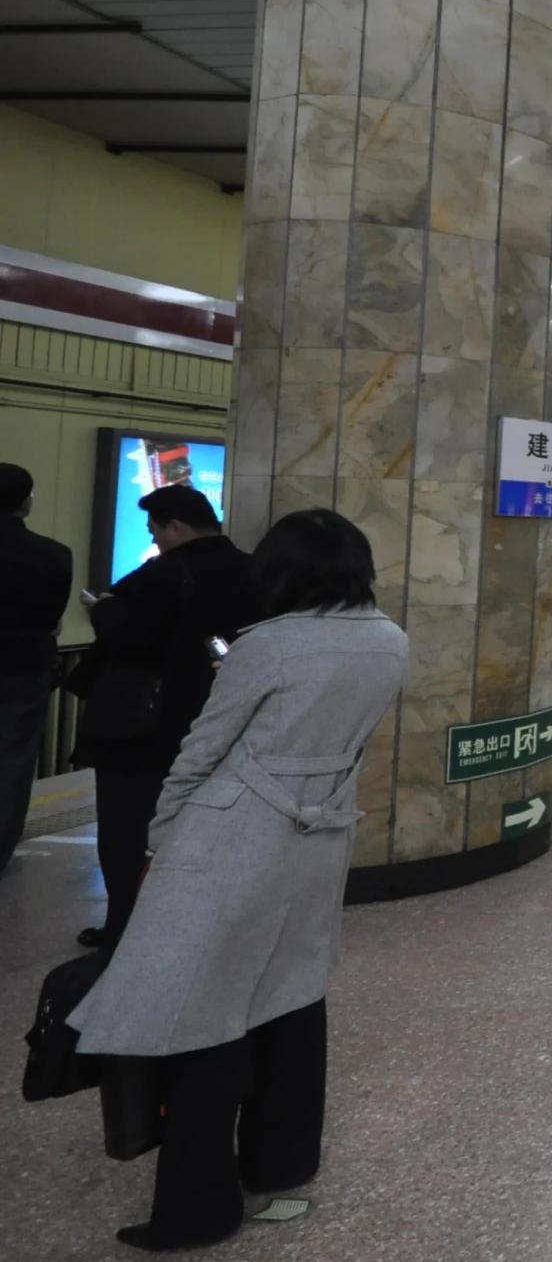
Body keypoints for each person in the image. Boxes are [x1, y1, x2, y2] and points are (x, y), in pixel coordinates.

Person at [68, 507, 408, 1253]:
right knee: (290, 991)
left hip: (229, 836)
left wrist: (160, 841)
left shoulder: (269, 646)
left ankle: (197, 1208)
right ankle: (282, 1156)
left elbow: (201, 750)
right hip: (318, 835)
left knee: (201, 1013)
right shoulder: (389, 640)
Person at [77, 485, 263, 949]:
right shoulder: (251, 569)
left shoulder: (162, 575)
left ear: (176, 527)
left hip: (140, 729)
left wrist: (103, 611)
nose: (155, 541)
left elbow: (129, 636)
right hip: (216, 721)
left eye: (155, 532)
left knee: (126, 827)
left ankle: (123, 926)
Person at [0, 462, 72, 872]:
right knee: (12, 759)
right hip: (25, 668)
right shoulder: (54, 554)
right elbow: (52, 618)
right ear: (26, 501)